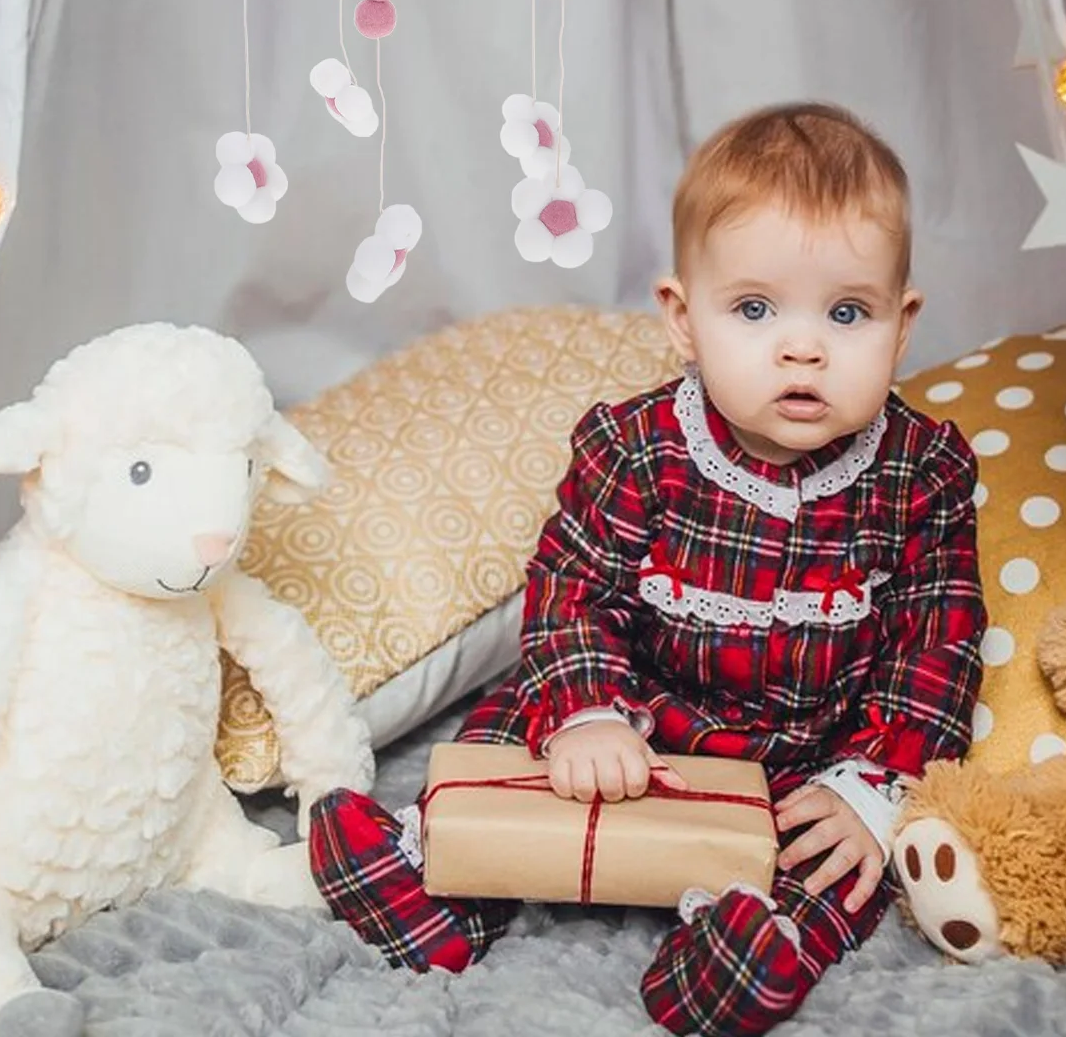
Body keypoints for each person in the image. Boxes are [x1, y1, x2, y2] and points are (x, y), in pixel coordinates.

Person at [310, 102, 986, 1037]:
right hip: (639, 705)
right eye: (754, 309)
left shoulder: (922, 473)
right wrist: (588, 707)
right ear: (683, 319)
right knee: (515, 714)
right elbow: (571, 588)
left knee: (841, 853)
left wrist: (871, 783)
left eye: (847, 312)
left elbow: (938, 648)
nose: (803, 346)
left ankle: (753, 943)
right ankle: (436, 884)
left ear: (901, 327)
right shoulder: (638, 448)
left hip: (804, 747)